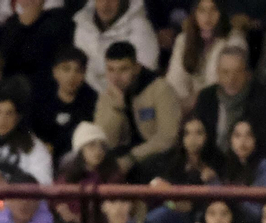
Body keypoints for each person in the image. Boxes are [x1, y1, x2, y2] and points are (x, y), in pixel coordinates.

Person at [93, 41, 182, 177]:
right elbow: (105, 141)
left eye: (123, 69)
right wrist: (118, 109)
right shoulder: (107, 95)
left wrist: (132, 157)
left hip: (156, 156)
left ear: (136, 68)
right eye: (111, 70)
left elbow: (168, 137)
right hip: (123, 155)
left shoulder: (160, 89)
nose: (116, 78)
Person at [192, 46, 266, 156]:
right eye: (225, 72)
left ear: (248, 74)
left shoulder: (264, 99)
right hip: (213, 163)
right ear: (217, 73)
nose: (231, 79)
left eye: (237, 72)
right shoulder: (206, 97)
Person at [169, 0, 251, 105]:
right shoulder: (184, 39)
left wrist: (191, 103)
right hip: (185, 105)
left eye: (214, 10)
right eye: (202, 11)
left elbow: (220, 86)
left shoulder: (234, 41)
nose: (208, 16)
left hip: (220, 106)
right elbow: (175, 81)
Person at [75, 0, 161, 95]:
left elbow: (145, 73)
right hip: (88, 96)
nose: (105, 5)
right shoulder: (84, 24)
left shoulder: (140, 28)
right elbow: (81, 67)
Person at [31, 47, 99, 153]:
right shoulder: (40, 99)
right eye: (66, 69)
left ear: (85, 73)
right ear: (55, 72)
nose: (72, 76)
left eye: (78, 71)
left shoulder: (92, 100)